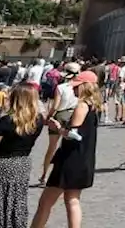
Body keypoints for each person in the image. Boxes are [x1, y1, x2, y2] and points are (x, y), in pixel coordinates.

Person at [30, 74, 100, 228]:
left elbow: (74, 135)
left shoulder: (82, 105)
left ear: (84, 86)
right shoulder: (95, 105)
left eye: (76, 86)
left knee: (45, 202)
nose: (74, 89)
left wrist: (59, 128)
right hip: (84, 157)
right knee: (72, 200)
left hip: (70, 159)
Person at [0, 84, 46, 228]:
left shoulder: (7, 121)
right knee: (15, 200)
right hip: (23, 163)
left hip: (3, 163)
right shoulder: (38, 120)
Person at [39, 63, 81, 183]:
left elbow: (55, 106)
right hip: (73, 115)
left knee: (51, 147)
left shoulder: (61, 87)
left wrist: (49, 116)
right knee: (69, 146)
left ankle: (44, 175)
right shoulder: (81, 86)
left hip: (60, 115)